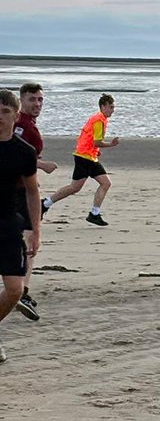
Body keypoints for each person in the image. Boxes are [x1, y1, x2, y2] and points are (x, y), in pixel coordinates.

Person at [0, 89, 41, 365]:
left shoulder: (24, 152)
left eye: (4, 112)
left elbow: (32, 192)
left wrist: (35, 229)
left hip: (7, 222)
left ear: (16, 116)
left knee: (15, 290)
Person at [13, 83, 58, 321]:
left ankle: (21, 290)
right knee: (29, 242)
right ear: (22, 100)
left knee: (27, 241)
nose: (37, 104)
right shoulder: (20, 125)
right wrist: (42, 165)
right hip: (18, 193)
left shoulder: (28, 125)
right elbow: (16, 154)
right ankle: (21, 291)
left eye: (40, 100)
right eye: (32, 99)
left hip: (24, 190)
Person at [42, 94, 119, 226]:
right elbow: (97, 141)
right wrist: (110, 144)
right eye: (111, 107)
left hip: (89, 157)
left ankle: (94, 214)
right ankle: (45, 204)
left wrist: (96, 151)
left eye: (113, 107)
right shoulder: (99, 120)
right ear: (103, 106)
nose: (113, 110)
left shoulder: (98, 119)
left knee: (104, 183)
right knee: (74, 188)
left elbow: (88, 138)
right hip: (84, 158)